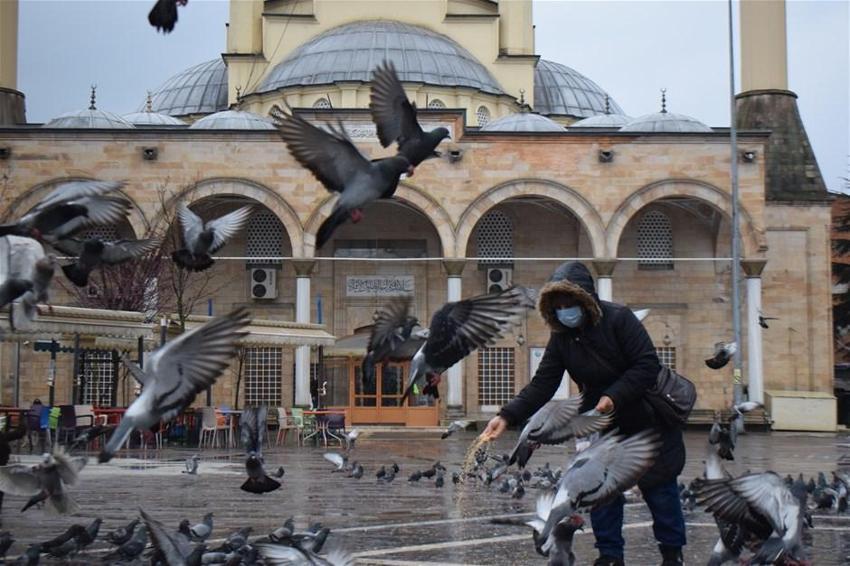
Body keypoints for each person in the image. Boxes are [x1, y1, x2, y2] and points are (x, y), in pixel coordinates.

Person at [482, 261, 686, 566]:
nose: (565, 310)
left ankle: (672, 554)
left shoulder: (619, 319)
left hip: (648, 420)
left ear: (586, 300)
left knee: (659, 489)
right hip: (605, 424)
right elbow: (543, 384)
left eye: (570, 303)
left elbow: (647, 365)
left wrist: (612, 396)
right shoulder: (562, 338)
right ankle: (610, 555)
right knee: (600, 490)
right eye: (558, 305)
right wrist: (507, 416)